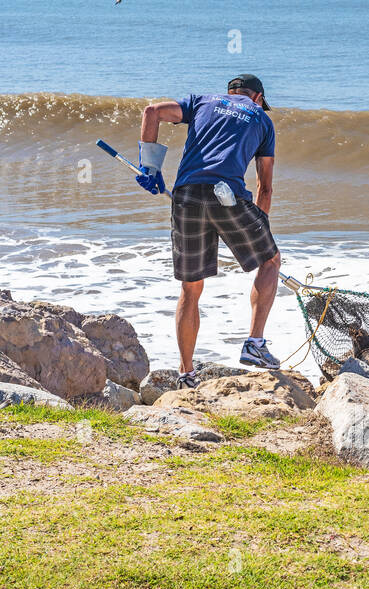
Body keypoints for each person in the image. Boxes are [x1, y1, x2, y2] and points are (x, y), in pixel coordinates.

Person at [136, 74, 281, 388]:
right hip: (228, 196)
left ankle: (186, 374)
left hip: (186, 195)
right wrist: (257, 234)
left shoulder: (200, 101)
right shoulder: (261, 120)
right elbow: (264, 188)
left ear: (230, 92)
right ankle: (254, 344)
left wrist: (150, 167)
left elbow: (152, 112)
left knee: (191, 289)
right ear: (258, 98)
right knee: (270, 263)